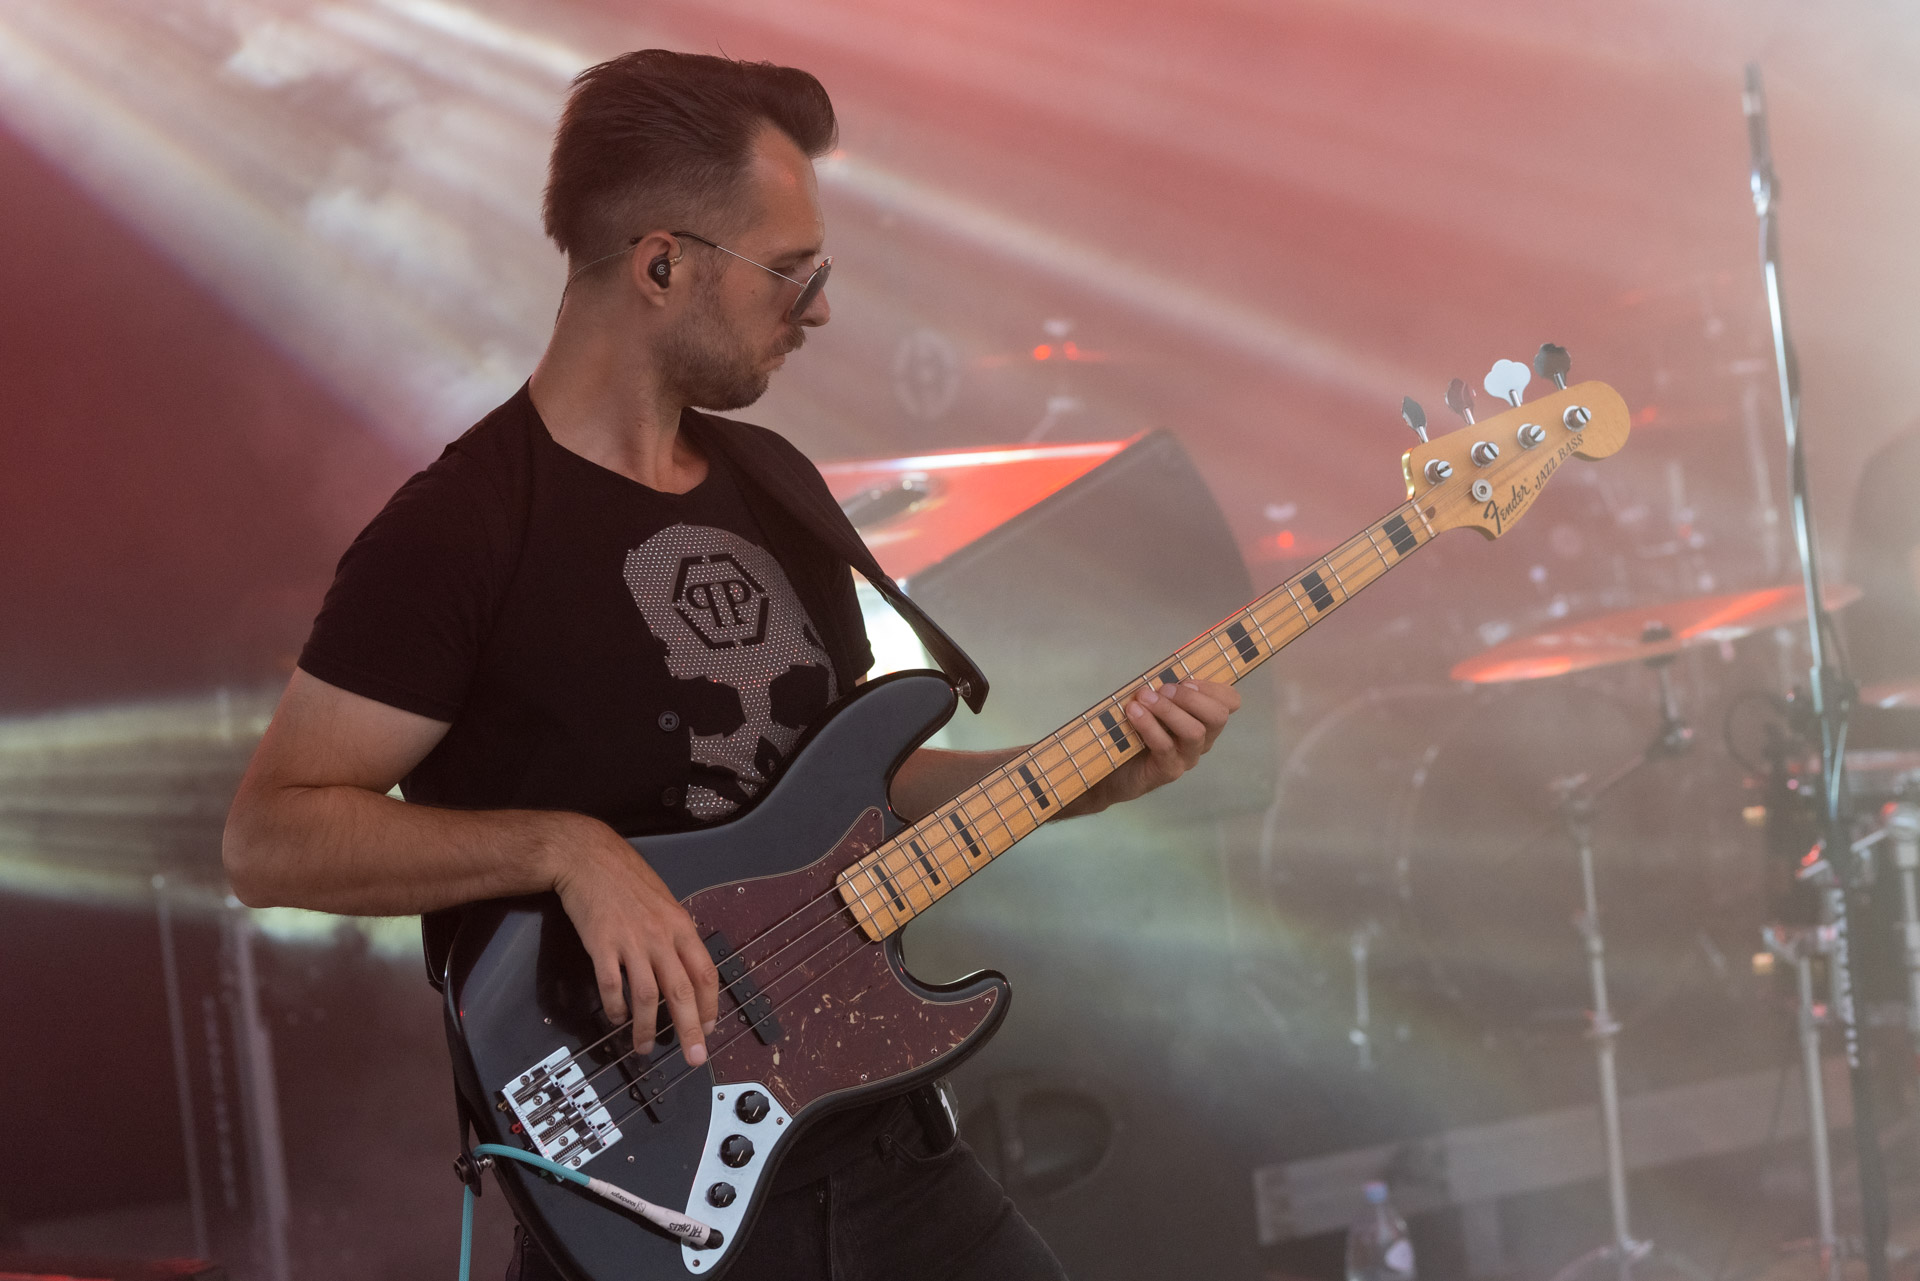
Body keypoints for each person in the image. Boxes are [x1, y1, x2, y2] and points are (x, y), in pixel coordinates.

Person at [221, 50, 1240, 1281]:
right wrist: (566, 850)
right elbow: (270, 838)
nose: (817, 312)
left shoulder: (776, 486)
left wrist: (1080, 775)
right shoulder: (462, 531)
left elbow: (855, 797)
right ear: (663, 266)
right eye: (791, 271)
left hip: (886, 1157)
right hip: (653, 1195)